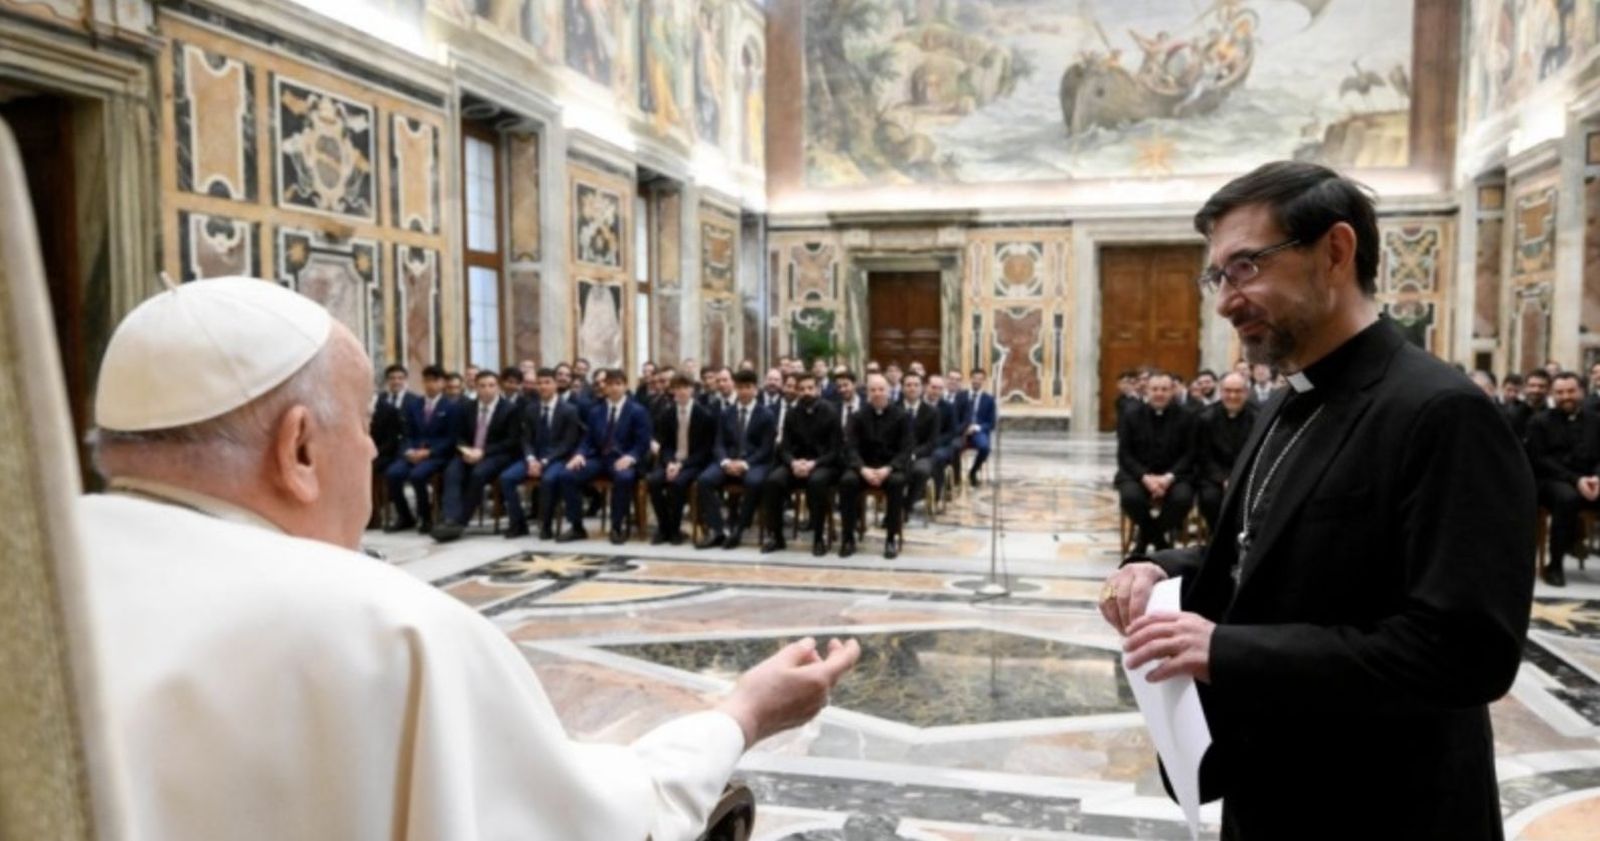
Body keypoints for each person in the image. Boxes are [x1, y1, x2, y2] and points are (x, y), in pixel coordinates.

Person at [83, 277, 862, 841]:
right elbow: (600, 819)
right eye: (362, 425)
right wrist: (742, 713)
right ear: (299, 449)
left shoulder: (47, 572)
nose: (371, 447)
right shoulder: (389, 631)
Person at [1098, 162, 1534, 840]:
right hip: (1273, 792)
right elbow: (1267, 549)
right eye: (1217, 276)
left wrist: (1227, 651)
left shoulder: (1440, 411)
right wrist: (1160, 569)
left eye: (1244, 268)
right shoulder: (1286, 400)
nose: (1224, 300)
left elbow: (1465, 653)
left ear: (1334, 251)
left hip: (1385, 807)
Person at [557, 370, 653, 544]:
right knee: (567, 475)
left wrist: (631, 457)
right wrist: (579, 454)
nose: (614, 388)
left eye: (618, 384)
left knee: (624, 478)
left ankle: (617, 527)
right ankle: (577, 527)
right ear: (605, 387)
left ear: (625, 386)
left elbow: (643, 443)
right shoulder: (596, 411)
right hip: (599, 458)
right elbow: (588, 439)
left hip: (623, 459)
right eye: (610, 384)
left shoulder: (638, 411)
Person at [1526, 371, 1599, 587]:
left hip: (1591, 480)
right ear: (1552, 394)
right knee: (1567, 499)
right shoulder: (1539, 421)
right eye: (1560, 392)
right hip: (1554, 482)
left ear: (1581, 392)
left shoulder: (1596, 420)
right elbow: (1540, 460)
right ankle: (1555, 565)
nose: (1566, 396)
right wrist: (1576, 480)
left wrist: (1597, 478)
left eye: (1571, 391)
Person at [433, 370, 520, 542]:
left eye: (491, 385)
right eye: (482, 386)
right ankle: (450, 517)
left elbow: (511, 441)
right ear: (475, 387)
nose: (487, 389)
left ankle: (460, 521)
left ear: (498, 387)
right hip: (469, 452)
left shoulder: (510, 409)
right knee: (452, 471)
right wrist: (466, 450)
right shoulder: (466, 407)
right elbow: (459, 436)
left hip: (496, 455)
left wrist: (483, 452)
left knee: (478, 474)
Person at [498, 368, 585, 539]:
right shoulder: (531, 409)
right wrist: (531, 459)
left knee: (549, 479)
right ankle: (518, 523)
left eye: (547, 382)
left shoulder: (569, 410)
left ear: (555, 384)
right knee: (506, 478)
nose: (543, 386)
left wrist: (544, 461)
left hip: (557, 458)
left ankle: (546, 525)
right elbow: (526, 439)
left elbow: (567, 444)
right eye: (539, 383)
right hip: (533, 458)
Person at [760, 373, 842, 556]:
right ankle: (777, 537)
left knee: (817, 483)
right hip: (796, 465)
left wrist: (814, 463)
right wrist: (793, 462)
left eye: (810, 388)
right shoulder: (792, 413)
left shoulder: (831, 412)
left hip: (823, 465)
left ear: (818, 390)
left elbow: (835, 450)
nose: (806, 393)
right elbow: (784, 447)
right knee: (773, 481)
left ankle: (819, 538)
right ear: (797, 391)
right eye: (802, 389)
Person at [1114, 371, 1196, 553]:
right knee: (1131, 497)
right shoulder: (1130, 415)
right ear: (1147, 391)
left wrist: (1167, 478)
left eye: (1164, 389)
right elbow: (1124, 454)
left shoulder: (1187, 416)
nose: (1159, 393)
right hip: (1137, 475)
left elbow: (1190, 454)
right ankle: (1161, 542)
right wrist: (1145, 478)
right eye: (1155, 389)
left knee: (1182, 499)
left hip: (1175, 476)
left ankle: (1144, 539)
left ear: (1172, 391)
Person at [695, 370, 776, 550]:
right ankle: (717, 530)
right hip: (728, 460)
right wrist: (725, 462)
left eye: (748, 387)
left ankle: (739, 530)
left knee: (754, 482)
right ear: (735, 388)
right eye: (740, 387)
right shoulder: (727, 413)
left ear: (756, 389)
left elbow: (766, 449)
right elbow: (719, 443)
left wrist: (744, 464)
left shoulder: (766, 415)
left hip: (754, 462)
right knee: (705, 480)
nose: (744, 392)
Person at [385, 364, 465, 533]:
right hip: (413, 453)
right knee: (392, 473)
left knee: (417, 475)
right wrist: (408, 451)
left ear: (443, 383)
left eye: (435, 381)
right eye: (427, 381)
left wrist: (429, 452)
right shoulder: (414, 405)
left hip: (437, 455)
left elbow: (451, 439)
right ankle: (405, 516)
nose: (430, 385)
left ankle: (426, 517)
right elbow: (406, 433)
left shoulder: (452, 407)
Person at [840, 373, 911, 560]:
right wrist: (862, 469)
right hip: (863, 468)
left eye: (881, 389)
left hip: (889, 469)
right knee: (847, 482)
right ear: (867, 393)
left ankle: (890, 538)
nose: (877, 393)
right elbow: (850, 447)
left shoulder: (902, 416)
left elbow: (905, 450)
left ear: (889, 391)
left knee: (897, 483)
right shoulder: (857, 416)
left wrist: (888, 469)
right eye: (873, 390)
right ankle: (848, 537)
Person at [648, 374, 717, 545]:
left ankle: (675, 529)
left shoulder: (704, 415)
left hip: (693, 463)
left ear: (692, 390)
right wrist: (670, 462)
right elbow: (666, 445)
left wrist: (681, 465)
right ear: (672, 391)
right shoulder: (668, 414)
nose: (681, 392)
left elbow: (704, 450)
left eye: (685, 388)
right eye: (677, 388)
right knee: (653, 481)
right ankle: (664, 527)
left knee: (678, 483)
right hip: (672, 461)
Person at [1194, 372, 1255, 532]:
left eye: (1238, 391)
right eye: (1228, 391)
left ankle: (1242, 539)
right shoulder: (1205, 418)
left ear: (1246, 392)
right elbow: (1203, 456)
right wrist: (1222, 478)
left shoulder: (1258, 417)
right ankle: (1218, 539)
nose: (1232, 396)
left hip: (1247, 476)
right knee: (1209, 498)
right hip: (1214, 477)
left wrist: (1236, 479)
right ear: (1221, 392)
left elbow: (1257, 454)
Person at [901, 373, 940, 514]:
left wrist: (913, 454)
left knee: (921, 471)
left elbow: (931, 442)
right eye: (908, 385)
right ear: (902, 388)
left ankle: (907, 505)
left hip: (921, 455)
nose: (912, 388)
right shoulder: (893, 408)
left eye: (916, 385)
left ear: (922, 388)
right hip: (897, 454)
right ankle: (894, 505)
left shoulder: (932, 412)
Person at [963, 368, 997, 486]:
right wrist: (964, 428)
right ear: (970, 379)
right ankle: (953, 476)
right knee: (952, 447)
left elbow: (991, 423)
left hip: (978, 431)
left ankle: (973, 471)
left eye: (980, 379)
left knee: (984, 447)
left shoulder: (989, 399)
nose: (977, 381)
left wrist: (976, 428)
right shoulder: (961, 396)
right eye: (975, 378)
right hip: (962, 431)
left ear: (984, 381)